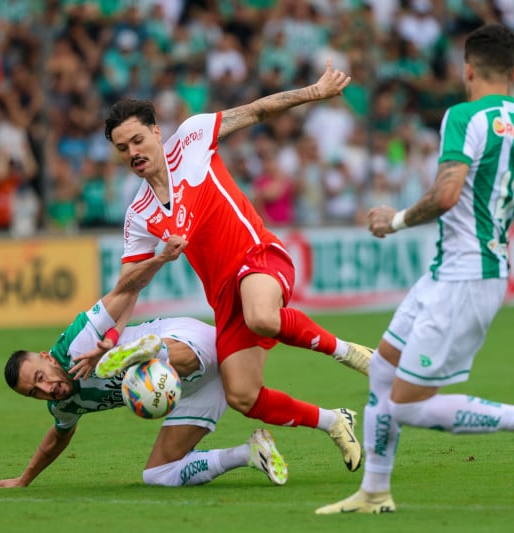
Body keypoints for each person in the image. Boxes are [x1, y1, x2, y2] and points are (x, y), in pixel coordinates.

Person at [316, 24, 514, 514]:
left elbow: (448, 193)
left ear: (468, 69)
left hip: (466, 279)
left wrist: (393, 220)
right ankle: (374, 492)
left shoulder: (463, 116)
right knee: (383, 374)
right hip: (449, 273)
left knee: (407, 403)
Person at [74, 60, 371, 473]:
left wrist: (313, 92)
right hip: (223, 296)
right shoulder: (139, 214)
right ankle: (335, 420)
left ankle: (353, 354)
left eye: (138, 140)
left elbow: (254, 111)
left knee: (263, 316)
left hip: (258, 255)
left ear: (157, 132)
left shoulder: (192, 139)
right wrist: (110, 333)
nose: (133, 153)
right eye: (123, 149)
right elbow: (129, 286)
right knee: (243, 396)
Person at [0, 247, 288, 489]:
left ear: (48, 358)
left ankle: (151, 350)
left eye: (40, 377)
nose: (46, 390)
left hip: (189, 342)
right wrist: (24, 479)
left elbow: (124, 290)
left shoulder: (76, 344)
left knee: (161, 363)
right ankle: (250, 453)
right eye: (34, 393)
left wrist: (160, 258)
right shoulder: (64, 404)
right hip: (200, 386)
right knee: (158, 474)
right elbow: (58, 436)